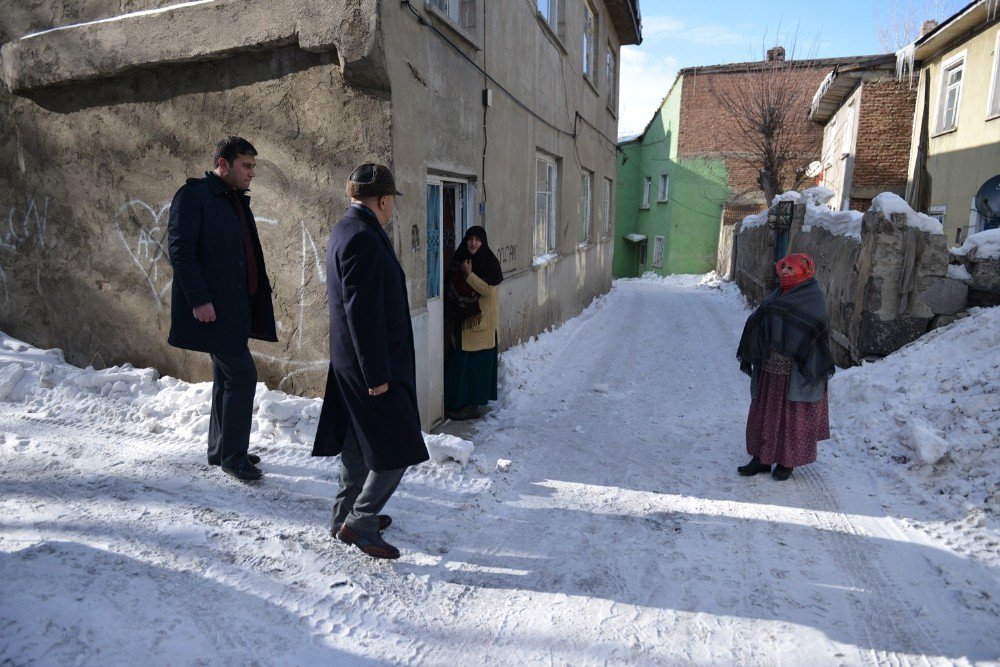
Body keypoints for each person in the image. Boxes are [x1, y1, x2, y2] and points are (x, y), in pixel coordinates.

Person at [312, 163, 429, 560]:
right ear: (382, 200)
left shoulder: (346, 228)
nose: (392, 208)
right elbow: (361, 312)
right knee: (399, 447)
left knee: (356, 446)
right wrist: (376, 374)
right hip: (370, 367)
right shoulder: (363, 236)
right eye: (391, 201)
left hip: (351, 363)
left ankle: (343, 516)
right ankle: (360, 521)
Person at [167, 136, 277, 482]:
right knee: (243, 375)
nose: (252, 173)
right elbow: (181, 250)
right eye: (246, 166)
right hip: (213, 309)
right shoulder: (195, 196)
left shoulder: (232, 200)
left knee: (226, 377)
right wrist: (198, 299)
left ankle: (221, 448)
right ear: (223, 164)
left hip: (234, 308)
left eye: (253, 167)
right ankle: (233, 455)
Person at [735, 253, 834, 481]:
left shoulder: (813, 297)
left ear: (804, 271)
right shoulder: (778, 293)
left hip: (796, 371)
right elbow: (761, 318)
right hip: (770, 369)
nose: (785, 272)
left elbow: (814, 334)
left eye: (791, 269)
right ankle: (761, 458)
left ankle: (787, 462)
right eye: (784, 268)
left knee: (792, 415)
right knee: (766, 412)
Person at [443, 226, 503, 421]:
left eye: (478, 239)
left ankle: (470, 406)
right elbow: (450, 283)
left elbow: (487, 290)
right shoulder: (460, 258)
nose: (473, 243)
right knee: (460, 365)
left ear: (483, 242)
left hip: (481, 323)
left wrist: (468, 275)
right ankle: (457, 404)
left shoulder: (489, 262)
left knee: (476, 368)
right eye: (470, 239)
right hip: (464, 321)